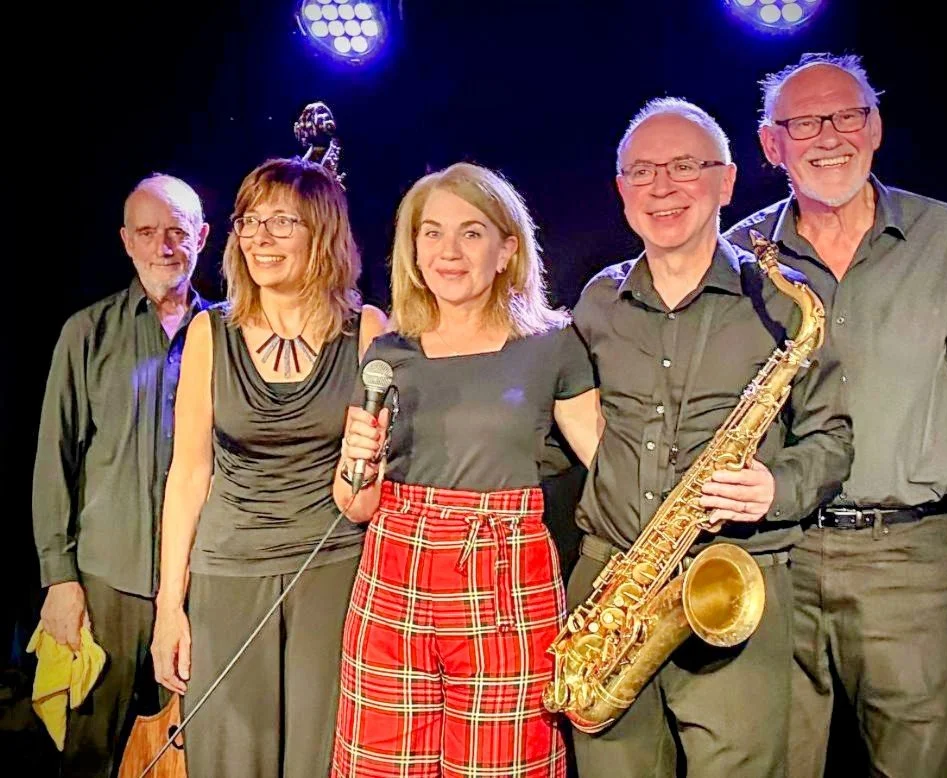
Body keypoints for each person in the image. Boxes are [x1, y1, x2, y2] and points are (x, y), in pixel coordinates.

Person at [726, 52, 947, 778]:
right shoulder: (738, 255)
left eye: (847, 116)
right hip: (776, 555)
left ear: (876, 127)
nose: (830, 136)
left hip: (908, 558)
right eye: (805, 123)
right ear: (771, 145)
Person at [567, 98, 854, 778]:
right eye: (642, 172)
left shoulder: (785, 301)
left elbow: (833, 439)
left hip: (733, 584)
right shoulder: (597, 301)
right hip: (612, 589)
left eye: (684, 167)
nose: (662, 187)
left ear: (727, 182)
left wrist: (775, 488)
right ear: (621, 191)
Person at [330, 162, 604, 778]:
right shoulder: (388, 353)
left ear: (507, 250)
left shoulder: (551, 345)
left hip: (503, 580)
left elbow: (607, 465)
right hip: (394, 575)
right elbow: (355, 506)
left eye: (471, 233)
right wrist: (356, 461)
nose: (448, 251)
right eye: (431, 233)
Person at [150, 157, 386, 778]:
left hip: (332, 570)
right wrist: (169, 607)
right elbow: (188, 475)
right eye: (249, 222)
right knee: (231, 754)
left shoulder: (367, 330)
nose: (260, 238)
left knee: (321, 753)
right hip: (229, 570)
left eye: (282, 222)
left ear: (323, 233)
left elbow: (373, 482)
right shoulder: (210, 332)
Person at [31, 174, 210, 776]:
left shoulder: (228, 336)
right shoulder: (86, 333)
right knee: (91, 756)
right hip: (106, 587)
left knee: (185, 760)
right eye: (147, 232)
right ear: (126, 242)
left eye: (177, 232)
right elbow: (54, 460)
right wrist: (59, 578)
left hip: (200, 588)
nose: (163, 246)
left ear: (202, 238)